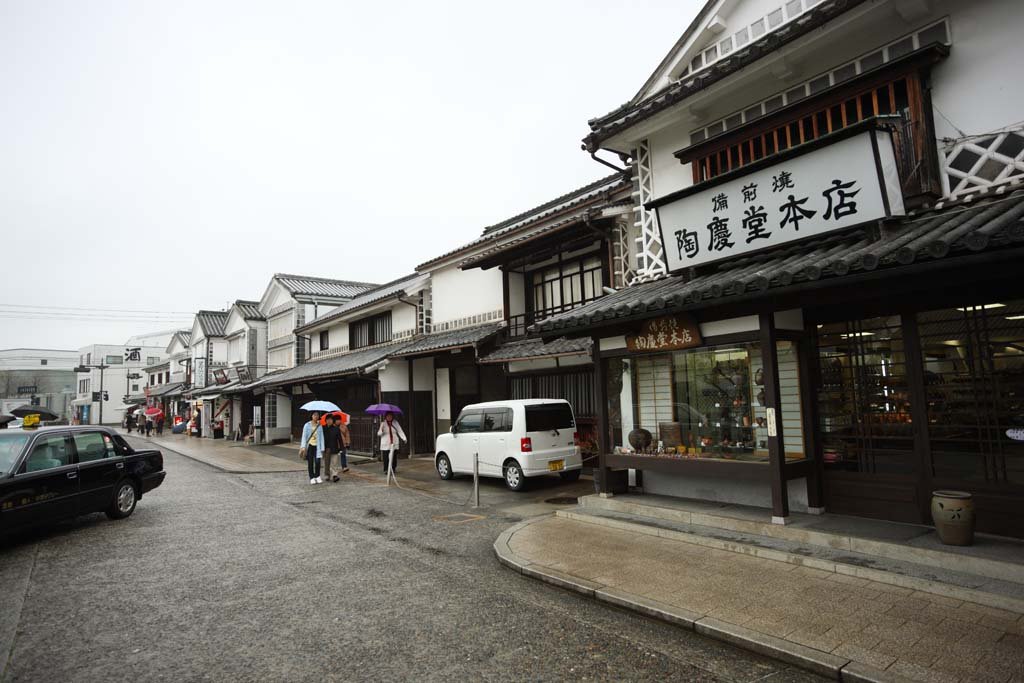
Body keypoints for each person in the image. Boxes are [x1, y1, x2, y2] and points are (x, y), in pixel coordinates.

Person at [300, 412, 324, 484]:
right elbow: (304, 436)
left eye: (317, 415)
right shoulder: (307, 425)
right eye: (314, 415)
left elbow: (322, 437)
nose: (316, 416)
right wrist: (303, 446)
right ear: (311, 416)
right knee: (310, 462)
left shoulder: (320, 425)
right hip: (310, 446)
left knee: (317, 462)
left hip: (318, 446)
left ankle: (317, 476)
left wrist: (323, 447)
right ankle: (312, 477)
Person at [321, 414, 341, 483]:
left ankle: (334, 475)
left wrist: (342, 448)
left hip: (334, 448)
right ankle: (327, 475)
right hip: (326, 448)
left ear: (333, 421)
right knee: (326, 463)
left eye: (330, 420)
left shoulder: (336, 429)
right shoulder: (322, 428)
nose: (329, 421)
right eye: (327, 419)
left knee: (334, 462)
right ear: (325, 420)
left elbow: (340, 439)